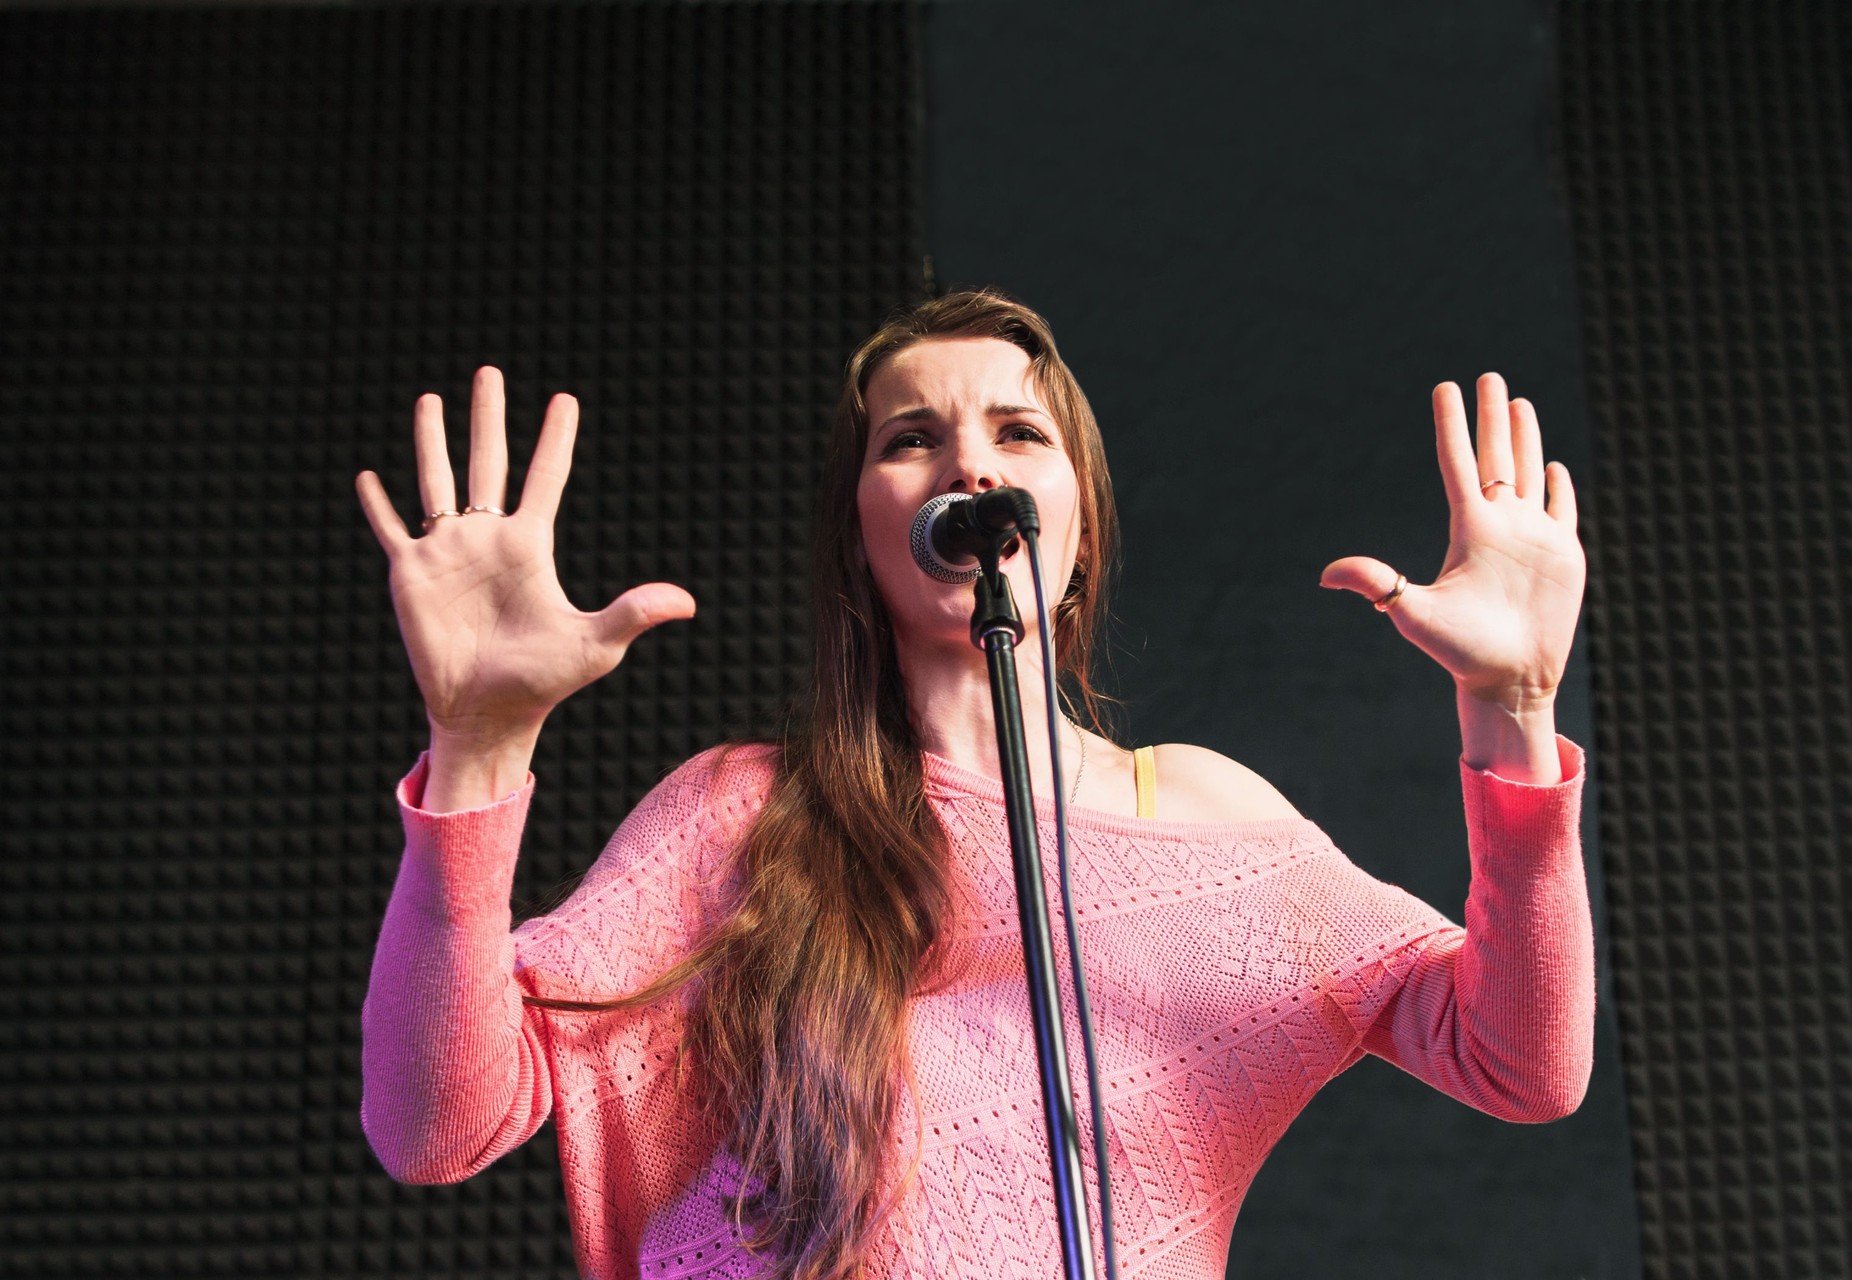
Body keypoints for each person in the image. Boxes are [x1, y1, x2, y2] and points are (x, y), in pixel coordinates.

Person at [354, 288, 1593, 1280]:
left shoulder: (1213, 823)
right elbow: (436, 1125)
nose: (969, 463)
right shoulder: (744, 811)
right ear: (861, 530)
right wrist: (475, 748)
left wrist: (1516, 713)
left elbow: (1523, 1059)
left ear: (1080, 521)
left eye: (1017, 430)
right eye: (912, 438)